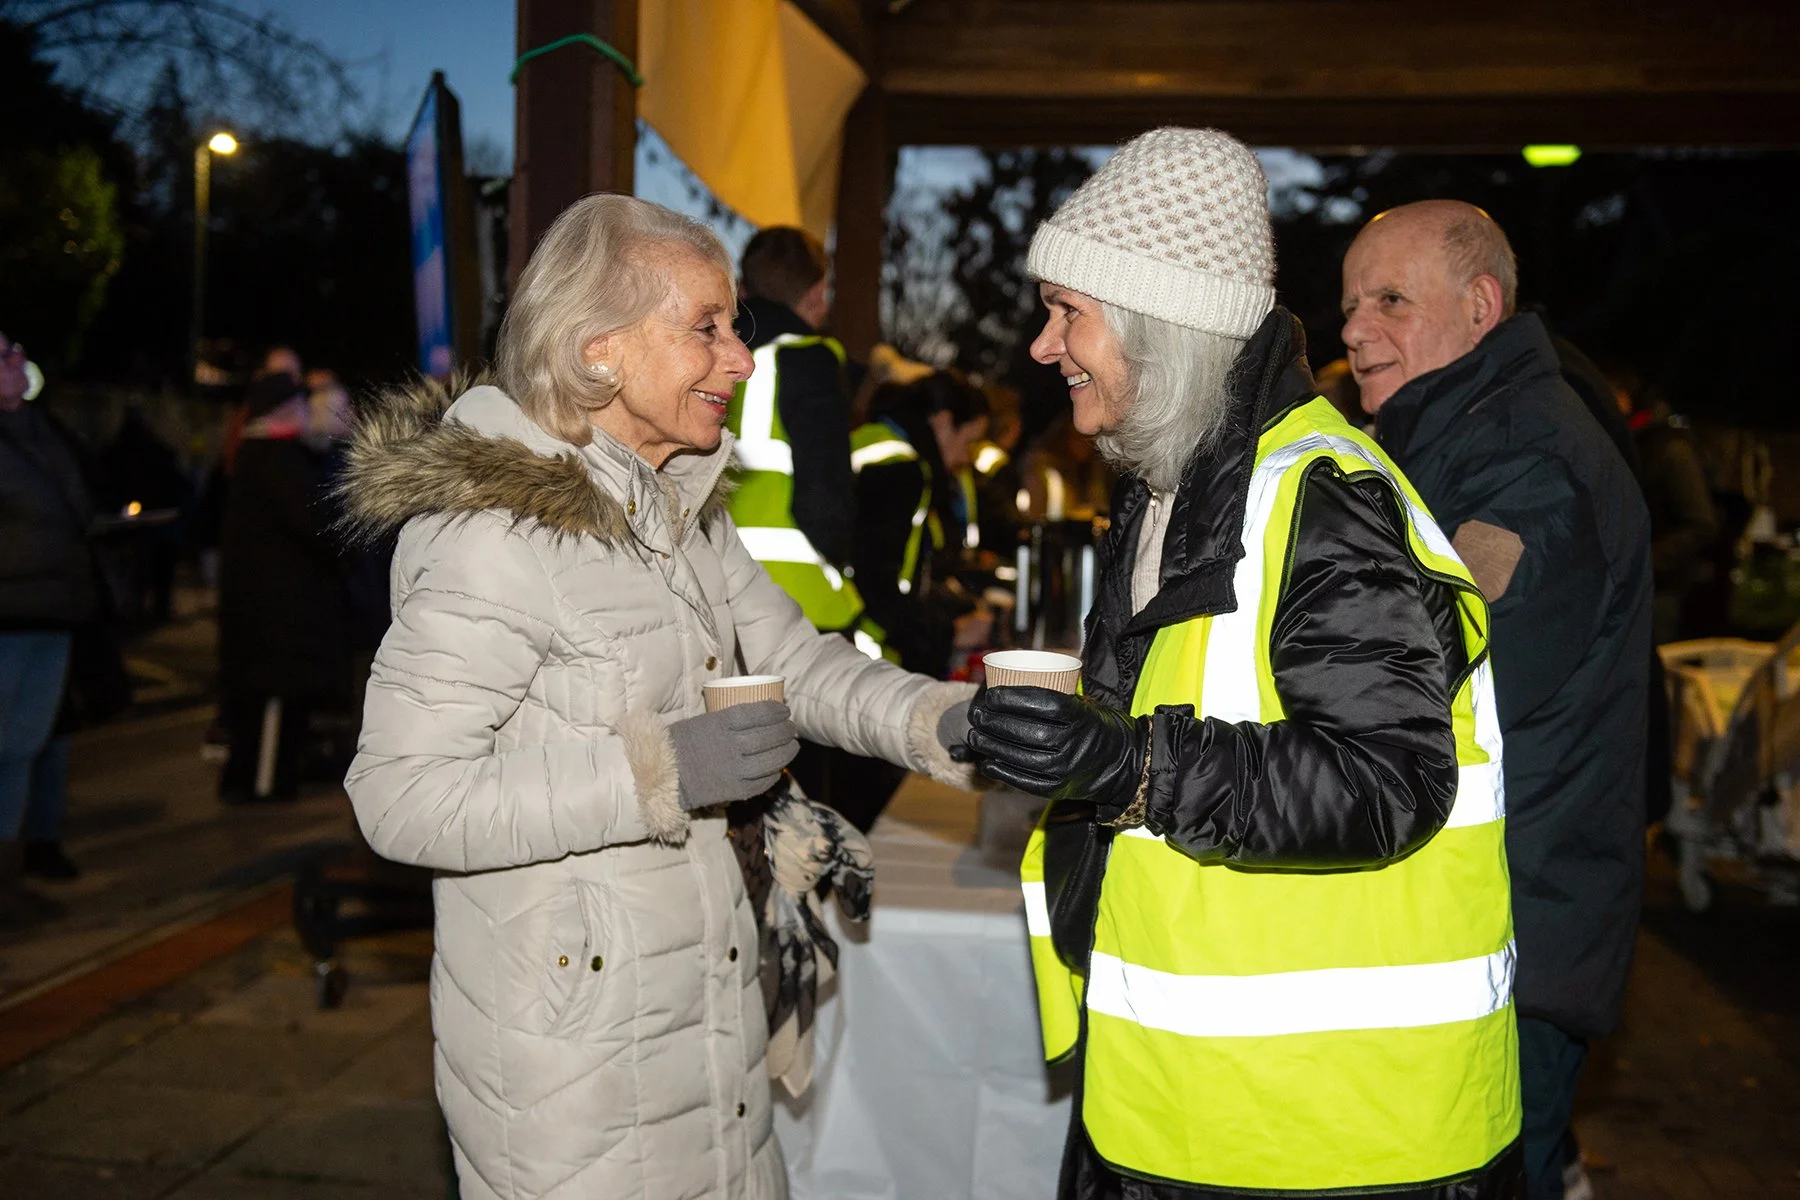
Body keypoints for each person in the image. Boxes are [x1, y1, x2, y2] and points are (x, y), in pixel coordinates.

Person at [339, 194, 976, 1200]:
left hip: (707, 1010)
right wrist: (660, 772)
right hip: (576, 1067)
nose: (741, 359)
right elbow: (400, 796)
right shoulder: (489, 537)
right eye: (708, 328)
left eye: (737, 326)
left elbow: (799, 666)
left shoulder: (681, 510)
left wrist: (948, 722)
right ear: (599, 351)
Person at [959, 128, 1522, 1198]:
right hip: (1192, 1110)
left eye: (1067, 312)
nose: (1043, 347)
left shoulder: (1321, 501)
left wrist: (1128, 769)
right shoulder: (1179, 489)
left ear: (1158, 328)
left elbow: (1384, 780)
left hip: (1344, 1138)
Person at [1341, 199, 1651, 1200]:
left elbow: (1433, 689)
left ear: (1481, 305)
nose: (1352, 329)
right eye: (1348, 304)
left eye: (1390, 299)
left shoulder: (1527, 463)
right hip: (1476, 928)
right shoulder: (1451, 437)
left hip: (1504, 945)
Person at [216, 350, 352, 802]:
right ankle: (264, 783)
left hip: (270, 605)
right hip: (277, 609)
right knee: (274, 701)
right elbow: (316, 524)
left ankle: (260, 776)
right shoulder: (277, 459)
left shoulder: (262, 456)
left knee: (269, 700)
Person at [0, 329, 95, 924]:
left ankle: (8, 872)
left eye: (16, 352)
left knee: (20, 749)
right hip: (7, 613)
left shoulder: (38, 430)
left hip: (51, 610)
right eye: (3, 355)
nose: (17, 361)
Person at [853, 372, 990, 680]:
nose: (964, 458)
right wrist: (947, 634)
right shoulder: (899, 467)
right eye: (968, 442)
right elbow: (876, 583)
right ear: (943, 421)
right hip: (862, 656)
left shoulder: (876, 441)